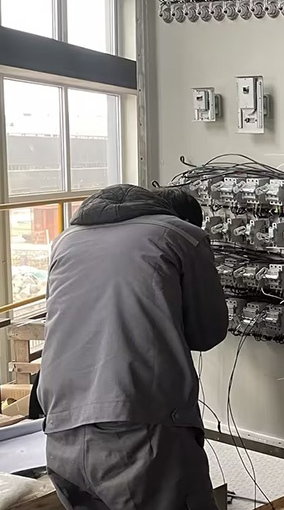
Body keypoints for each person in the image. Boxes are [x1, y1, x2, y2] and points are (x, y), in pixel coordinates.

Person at [39, 184, 228, 510]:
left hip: (60, 429)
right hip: (139, 432)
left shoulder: (65, 241)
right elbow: (207, 333)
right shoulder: (183, 236)